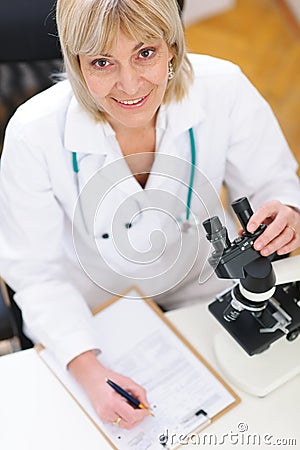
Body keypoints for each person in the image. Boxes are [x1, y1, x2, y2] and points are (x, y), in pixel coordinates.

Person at [0, 0, 299, 430]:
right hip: (95, 308)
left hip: (202, 285)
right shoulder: (33, 133)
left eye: (145, 53)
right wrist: (89, 370)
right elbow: (34, 271)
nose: (129, 84)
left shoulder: (223, 88)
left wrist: (286, 217)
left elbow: (275, 186)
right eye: (103, 62)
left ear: (172, 47)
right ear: (77, 63)